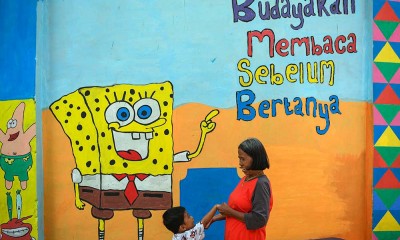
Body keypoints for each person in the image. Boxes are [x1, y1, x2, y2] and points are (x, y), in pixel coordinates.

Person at [207, 137, 273, 240]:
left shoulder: (261, 184)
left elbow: (259, 219)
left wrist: (229, 211)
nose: (240, 163)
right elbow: (239, 211)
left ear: (255, 159)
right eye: (239, 159)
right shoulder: (245, 179)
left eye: (243, 159)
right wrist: (215, 218)